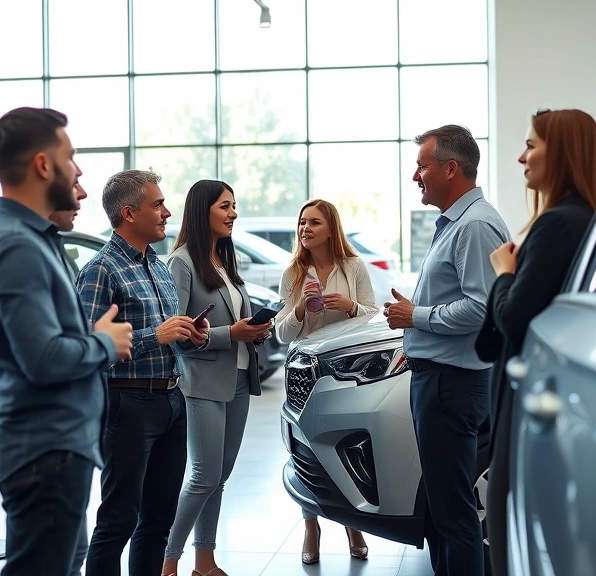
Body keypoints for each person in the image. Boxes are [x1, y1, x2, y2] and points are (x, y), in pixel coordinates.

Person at [0, 107, 133, 576]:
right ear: (43, 165)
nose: (78, 171)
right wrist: (103, 343)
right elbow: (42, 357)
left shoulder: (32, 238)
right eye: (71, 157)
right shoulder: (16, 244)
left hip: (54, 447)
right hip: (44, 449)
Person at [476, 109, 596, 576]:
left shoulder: (558, 224)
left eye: (531, 145)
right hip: (547, 395)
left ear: (563, 152)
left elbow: (514, 317)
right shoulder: (584, 219)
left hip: (527, 396)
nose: (520, 157)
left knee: (508, 532)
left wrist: (503, 275)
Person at [384, 125, 510, 576]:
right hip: (444, 379)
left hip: (450, 385)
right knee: (443, 511)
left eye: (422, 166)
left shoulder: (474, 226)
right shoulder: (460, 223)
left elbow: (480, 309)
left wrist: (414, 318)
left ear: (451, 168)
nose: (415, 175)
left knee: (453, 516)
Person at [80, 169, 204, 576]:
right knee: (118, 520)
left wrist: (189, 335)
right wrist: (157, 334)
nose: (168, 213)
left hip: (171, 400)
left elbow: (167, 334)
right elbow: (88, 350)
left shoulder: (158, 264)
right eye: (158, 205)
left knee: (157, 523)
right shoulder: (102, 270)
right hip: (128, 404)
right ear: (129, 213)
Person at [162, 180, 272, 576]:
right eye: (225, 206)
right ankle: (168, 560)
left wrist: (256, 328)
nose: (233, 213)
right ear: (202, 210)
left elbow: (232, 318)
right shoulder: (182, 262)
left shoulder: (224, 260)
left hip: (239, 380)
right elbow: (176, 335)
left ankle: (204, 562)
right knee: (204, 477)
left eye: (234, 206)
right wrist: (232, 334)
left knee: (219, 478)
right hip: (203, 383)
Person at [274, 198, 377, 565]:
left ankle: (354, 525)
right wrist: (300, 307)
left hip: (347, 371)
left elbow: (373, 317)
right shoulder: (293, 273)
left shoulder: (354, 266)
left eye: (314, 223)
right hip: (304, 373)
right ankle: (310, 525)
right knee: (305, 450)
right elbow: (281, 333)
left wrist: (349, 307)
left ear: (330, 228)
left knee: (346, 447)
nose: (305, 229)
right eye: (302, 223)